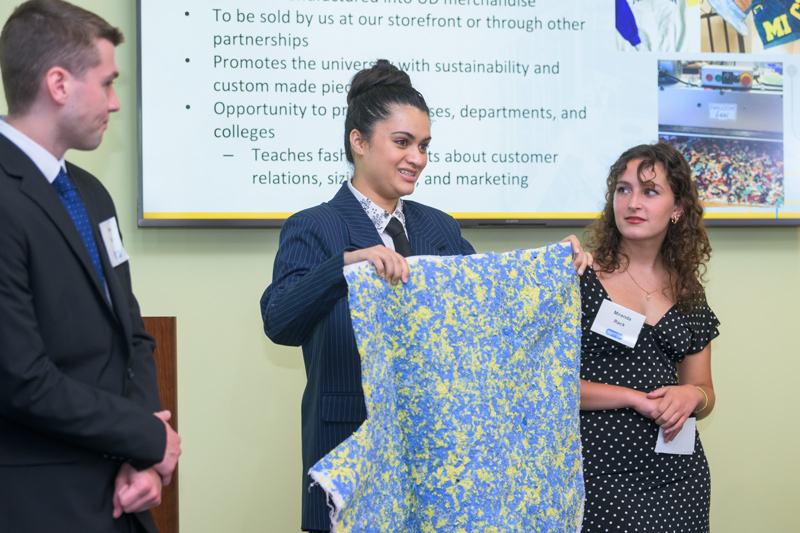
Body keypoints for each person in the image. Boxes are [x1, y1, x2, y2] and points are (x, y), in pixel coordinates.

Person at [261, 59, 590, 532]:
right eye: (402, 143)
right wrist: (345, 265)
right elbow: (279, 320)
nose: (417, 157)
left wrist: (553, 268)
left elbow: (490, 307)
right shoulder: (313, 227)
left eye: (424, 145)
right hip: (352, 445)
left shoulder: (439, 227)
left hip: (442, 462)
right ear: (359, 141)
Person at [0, 1, 181, 531]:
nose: (116, 102)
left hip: (121, 496)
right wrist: (149, 438)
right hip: (38, 502)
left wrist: (143, 455)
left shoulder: (91, 193)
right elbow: (21, 379)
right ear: (58, 84)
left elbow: (132, 335)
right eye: (106, 83)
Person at [579, 142, 718, 532]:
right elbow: (547, 385)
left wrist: (693, 396)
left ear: (678, 210)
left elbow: (704, 389)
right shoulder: (578, 277)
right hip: (598, 475)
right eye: (623, 190)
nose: (632, 203)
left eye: (649, 191)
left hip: (679, 477)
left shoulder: (689, 291)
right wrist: (632, 398)